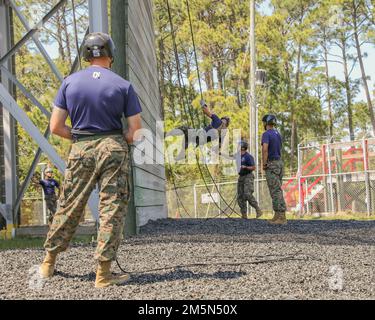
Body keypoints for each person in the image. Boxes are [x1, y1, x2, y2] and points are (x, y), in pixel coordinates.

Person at [39, 32, 142, 288]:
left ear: (86, 55)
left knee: (69, 203)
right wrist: (116, 140)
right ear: (111, 54)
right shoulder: (123, 85)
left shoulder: (69, 83)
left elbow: (55, 127)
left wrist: (81, 137)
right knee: (111, 208)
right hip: (113, 148)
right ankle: (103, 274)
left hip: (81, 147)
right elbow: (135, 132)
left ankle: (48, 263)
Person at [261, 114, 287, 225]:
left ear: (266, 123)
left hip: (271, 164)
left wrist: (264, 163)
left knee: (275, 191)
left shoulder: (266, 134)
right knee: (277, 189)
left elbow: (265, 149)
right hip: (279, 163)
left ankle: (281, 217)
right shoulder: (278, 134)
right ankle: (277, 215)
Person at [236, 141, 262, 219]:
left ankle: (258, 210)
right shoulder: (238, 156)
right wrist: (220, 153)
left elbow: (253, 167)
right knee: (240, 196)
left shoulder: (248, 156)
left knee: (247, 194)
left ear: (243, 148)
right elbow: (229, 156)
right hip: (241, 177)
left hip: (248, 176)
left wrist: (246, 167)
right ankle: (244, 215)